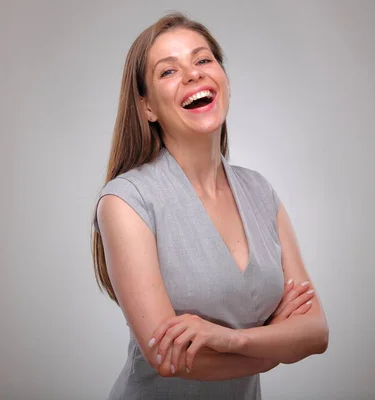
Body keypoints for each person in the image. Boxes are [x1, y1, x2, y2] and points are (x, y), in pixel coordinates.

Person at [91, 12, 329, 399]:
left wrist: (230, 340)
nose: (192, 74)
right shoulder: (125, 201)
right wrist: (276, 347)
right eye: (168, 71)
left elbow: (315, 332)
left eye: (203, 60)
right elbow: (166, 358)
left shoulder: (260, 192)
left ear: (224, 80)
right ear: (147, 107)